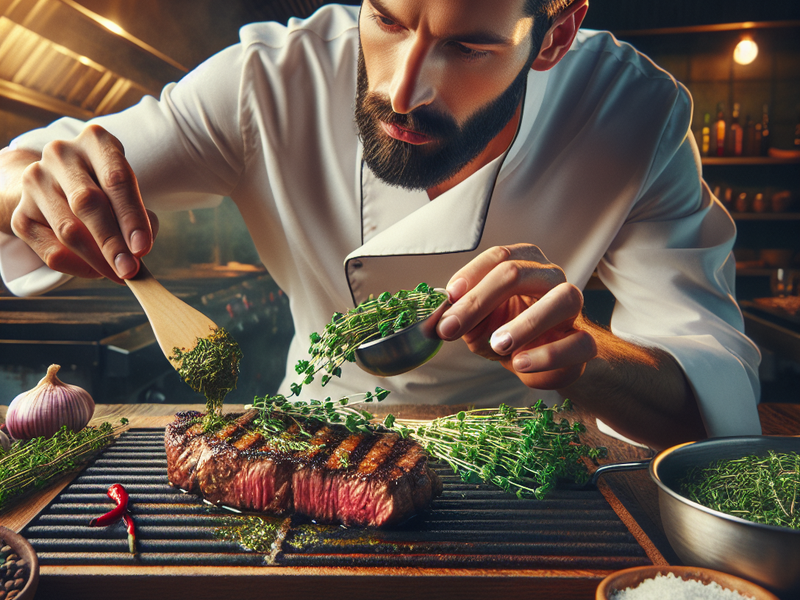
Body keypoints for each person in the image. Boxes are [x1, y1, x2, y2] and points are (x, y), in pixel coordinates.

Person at [0, 0, 761, 450]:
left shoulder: (631, 112)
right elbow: (23, 172)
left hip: (528, 463)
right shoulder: (272, 81)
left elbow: (710, 385)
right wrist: (38, 190)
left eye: (468, 45)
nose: (401, 89)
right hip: (307, 448)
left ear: (555, 35)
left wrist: (586, 355)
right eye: (388, 18)